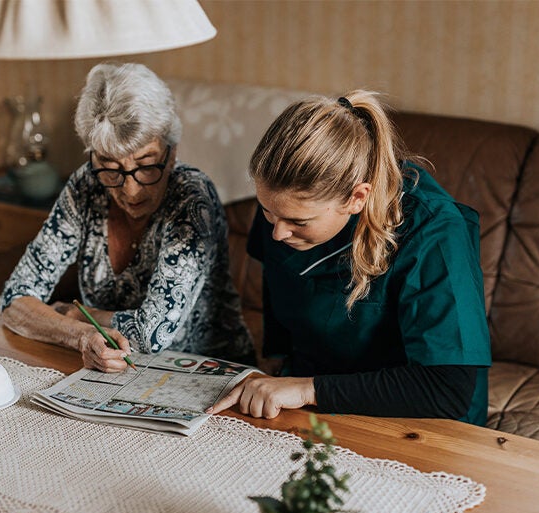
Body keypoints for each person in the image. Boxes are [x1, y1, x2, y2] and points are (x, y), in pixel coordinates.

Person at [208, 91, 491, 424]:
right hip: (311, 394)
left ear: (357, 198)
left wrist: (306, 389)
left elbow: (446, 391)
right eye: (268, 212)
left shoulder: (435, 233)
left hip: (416, 416)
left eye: (299, 222)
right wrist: (277, 361)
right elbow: (277, 279)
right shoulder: (283, 208)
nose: (278, 234)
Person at [0, 63, 254, 372]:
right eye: (110, 166)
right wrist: (81, 334)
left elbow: (152, 334)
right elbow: (15, 298)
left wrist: (76, 313)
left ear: (171, 153)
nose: (130, 190)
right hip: (117, 371)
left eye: (147, 165)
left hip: (207, 373)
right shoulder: (86, 185)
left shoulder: (191, 196)